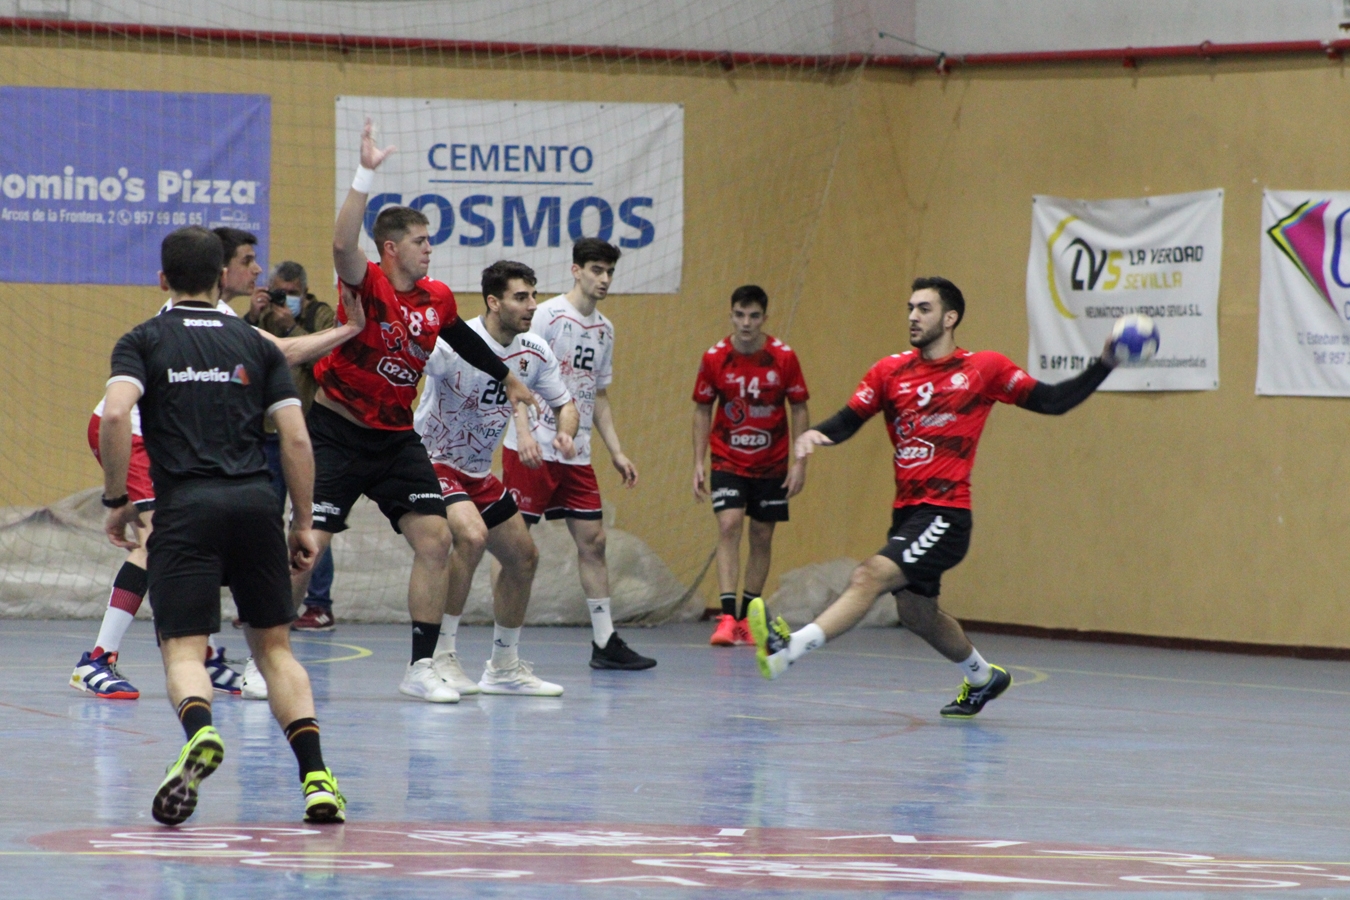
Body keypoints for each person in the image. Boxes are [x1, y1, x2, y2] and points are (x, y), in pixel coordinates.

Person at [749, 276, 1117, 718]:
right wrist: (814, 434)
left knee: (868, 576)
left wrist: (1105, 364)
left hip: (946, 513)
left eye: (924, 309)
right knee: (917, 614)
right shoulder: (889, 372)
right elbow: (850, 418)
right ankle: (983, 677)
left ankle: (789, 649)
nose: (912, 316)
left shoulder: (984, 368)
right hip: (907, 514)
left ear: (950, 318)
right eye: (910, 308)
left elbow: (1052, 401)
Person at [99, 225, 344, 824]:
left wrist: (117, 498)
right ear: (220, 278)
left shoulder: (143, 339)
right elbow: (296, 438)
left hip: (184, 510)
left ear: (163, 279)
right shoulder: (256, 343)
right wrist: (303, 521)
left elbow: (115, 415)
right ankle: (317, 780)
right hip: (255, 506)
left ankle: (200, 733)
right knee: (275, 649)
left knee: (184, 649)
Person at [288, 119, 538, 703]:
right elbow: (342, 245)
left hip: (396, 439)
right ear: (392, 248)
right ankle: (265, 654)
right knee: (307, 547)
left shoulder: (438, 297)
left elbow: (462, 339)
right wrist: (364, 173)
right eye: (422, 240)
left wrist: (507, 377)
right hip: (336, 432)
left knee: (435, 539)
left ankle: (421, 667)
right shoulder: (368, 284)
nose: (430, 248)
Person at [72, 237, 365, 700]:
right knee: (156, 538)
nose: (257, 271)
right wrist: (351, 329)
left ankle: (202, 655)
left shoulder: (219, 317)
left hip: (170, 443)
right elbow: (284, 353)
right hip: (135, 434)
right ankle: (97, 658)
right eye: (247, 261)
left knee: (202, 534)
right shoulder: (202, 321)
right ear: (221, 271)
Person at [416, 260, 582, 697]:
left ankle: (504, 666)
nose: (532, 305)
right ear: (494, 302)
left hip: (476, 471)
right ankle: (441, 656)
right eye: (520, 297)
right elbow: (411, 363)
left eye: (534, 295)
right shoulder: (455, 344)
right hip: (431, 461)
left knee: (524, 558)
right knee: (471, 536)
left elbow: (566, 404)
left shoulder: (534, 351)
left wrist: (565, 433)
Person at [503, 238, 656, 670]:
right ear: (576, 270)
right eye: (596, 270)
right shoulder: (547, 315)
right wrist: (523, 433)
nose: (604, 279)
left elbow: (597, 394)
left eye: (609, 272)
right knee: (513, 545)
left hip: (576, 451)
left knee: (595, 541)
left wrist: (617, 451)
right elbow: (517, 378)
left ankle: (605, 642)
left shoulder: (605, 329)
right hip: (532, 448)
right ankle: (504, 647)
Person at [692, 285, 809, 646]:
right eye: (740, 315)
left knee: (761, 534)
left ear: (764, 318)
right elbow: (702, 409)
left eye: (754, 316)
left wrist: (800, 462)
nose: (746, 323)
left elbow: (799, 407)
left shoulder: (783, 357)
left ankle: (747, 617)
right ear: (731, 315)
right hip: (727, 458)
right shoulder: (715, 358)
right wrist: (698, 461)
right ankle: (727, 617)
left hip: (771, 462)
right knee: (729, 524)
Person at [248, 261, 340, 632]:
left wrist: (291, 330)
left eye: (291, 293)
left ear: (303, 291)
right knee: (264, 520)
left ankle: (318, 604)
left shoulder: (321, 315)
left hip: (309, 432)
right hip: (267, 432)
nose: (284, 300)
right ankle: (264, 599)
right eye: (278, 292)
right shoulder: (262, 317)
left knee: (312, 520)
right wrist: (252, 317)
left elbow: (331, 359)